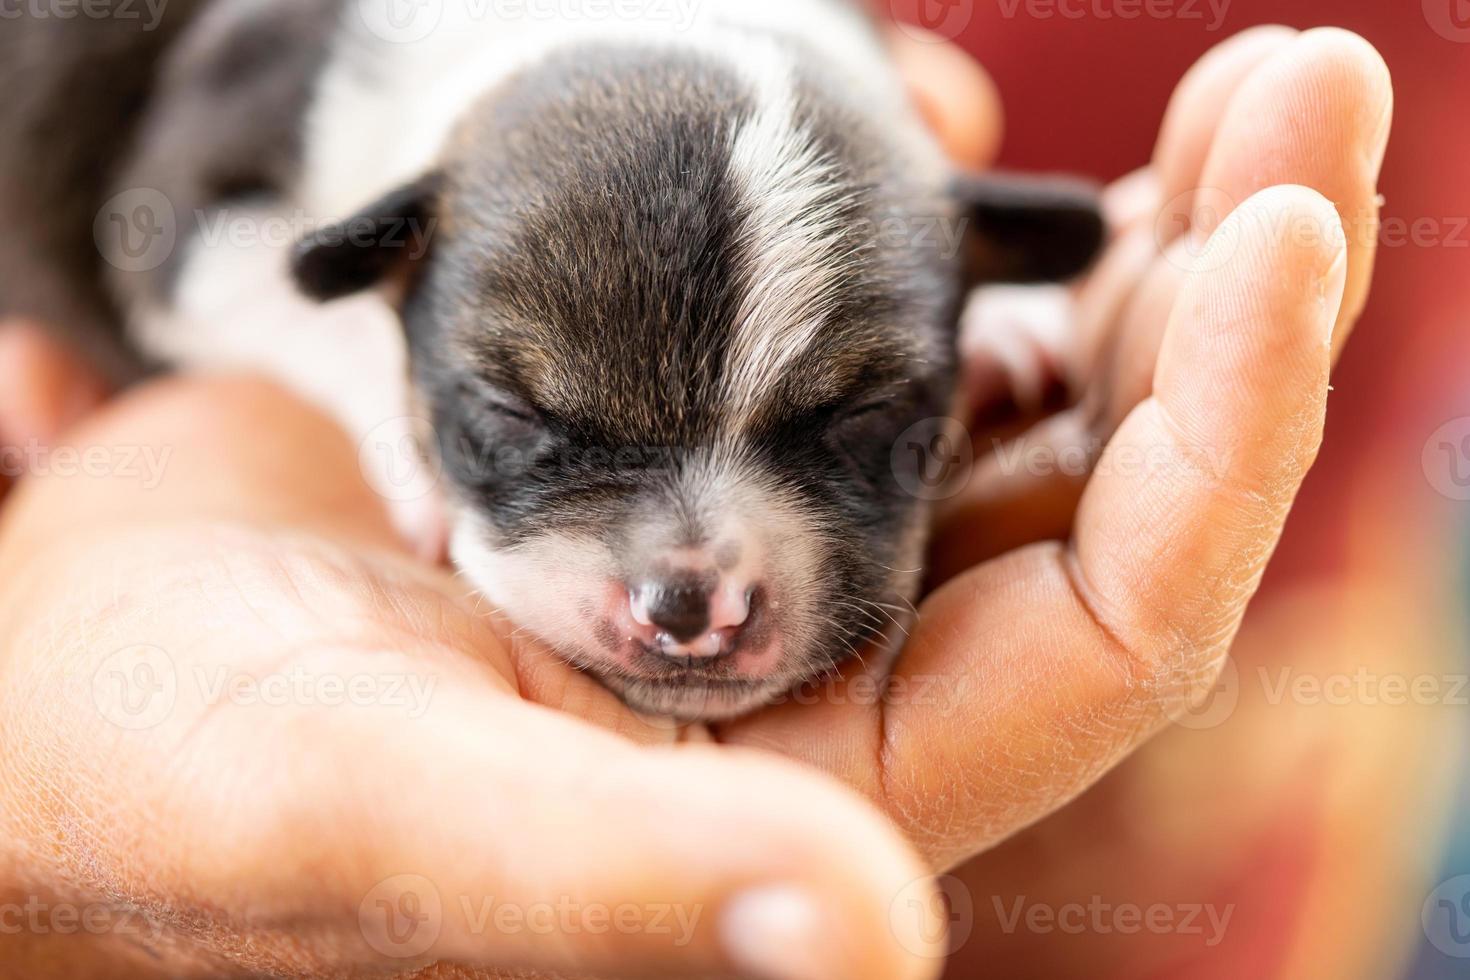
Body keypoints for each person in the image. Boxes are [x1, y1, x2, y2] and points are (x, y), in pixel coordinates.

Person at [0, 22, 1390, 980]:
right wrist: (380, 421)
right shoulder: (320, 100)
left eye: (852, 426)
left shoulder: (883, 138)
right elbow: (201, 249)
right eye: (528, 428)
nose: (692, 598)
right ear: (393, 254)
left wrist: (954, 312)